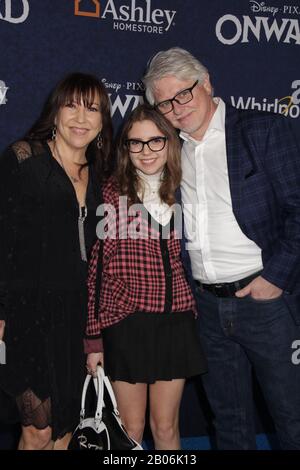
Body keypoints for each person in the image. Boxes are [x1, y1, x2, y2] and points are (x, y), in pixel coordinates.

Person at [142, 47, 300, 450]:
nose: (176, 108)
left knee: (292, 418)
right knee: (229, 424)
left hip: (266, 303)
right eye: (164, 102)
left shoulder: (262, 130)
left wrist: (275, 278)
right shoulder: (168, 151)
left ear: (207, 82)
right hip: (207, 309)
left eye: (184, 93)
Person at [0, 72, 113, 450]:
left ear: (102, 120)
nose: (81, 118)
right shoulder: (24, 158)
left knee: (67, 428)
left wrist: (95, 330)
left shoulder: (101, 174)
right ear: (56, 110)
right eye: (72, 105)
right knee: (38, 429)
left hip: (78, 317)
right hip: (26, 313)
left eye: (92, 108)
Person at [85, 104, 206, 450]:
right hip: (127, 324)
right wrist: (93, 337)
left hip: (175, 322)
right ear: (125, 149)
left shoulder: (187, 190)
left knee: (166, 428)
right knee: (131, 430)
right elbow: (96, 270)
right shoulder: (109, 194)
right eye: (135, 143)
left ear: (169, 142)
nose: (146, 151)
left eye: (155, 141)